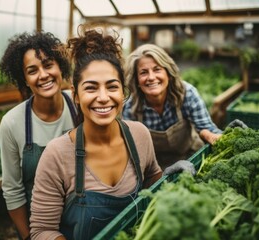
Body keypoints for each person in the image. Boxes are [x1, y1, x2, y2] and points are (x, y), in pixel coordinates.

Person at [29, 26, 164, 240]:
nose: (103, 97)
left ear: (122, 92)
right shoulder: (57, 154)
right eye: (91, 88)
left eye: (112, 87)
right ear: (75, 95)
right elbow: (41, 230)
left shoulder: (140, 136)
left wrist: (172, 179)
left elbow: (154, 187)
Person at [0, 31, 78, 240]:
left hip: (83, 219)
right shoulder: (12, 123)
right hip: (38, 226)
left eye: (48, 64)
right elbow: (13, 190)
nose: (43, 75)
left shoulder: (80, 106)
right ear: (24, 79)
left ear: (60, 67)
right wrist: (29, 236)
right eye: (32, 70)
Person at [122, 44, 223, 169]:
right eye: (143, 72)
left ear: (168, 74)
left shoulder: (186, 93)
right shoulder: (131, 108)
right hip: (156, 169)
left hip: (190, 157)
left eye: (157, 69)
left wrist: (221, 136)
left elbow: (206, 127)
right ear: (136, 81)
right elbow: (133, 151)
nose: (151, 77)